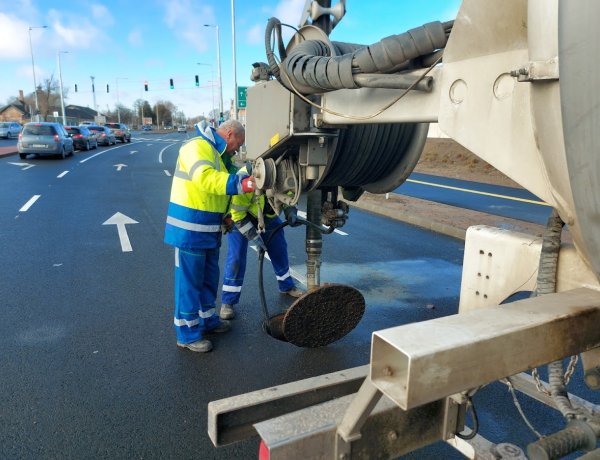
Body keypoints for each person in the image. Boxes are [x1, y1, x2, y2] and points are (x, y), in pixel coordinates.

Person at [164, 119, 254, 353]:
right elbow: (205, 180)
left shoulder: (218, 154)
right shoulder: (197, 147)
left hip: (208, 229)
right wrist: (241, 184)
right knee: (189, 283)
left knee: (207, 279)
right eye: (238, 143)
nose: (238, 149)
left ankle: (207, 319)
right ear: (230, 133)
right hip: (190, 229)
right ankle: (187, 334)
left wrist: (225, 215)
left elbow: (217, 194)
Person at [220, 167, 304, 320]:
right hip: (241, 218)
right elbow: (238, 215)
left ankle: (286, 285)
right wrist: (254, 237)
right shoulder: (245, 178)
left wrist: (291, 210)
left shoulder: (281, 171)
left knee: (279, 247)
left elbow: (289, 193)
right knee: (236, 257)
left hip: (267, 215)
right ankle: (228, 301)